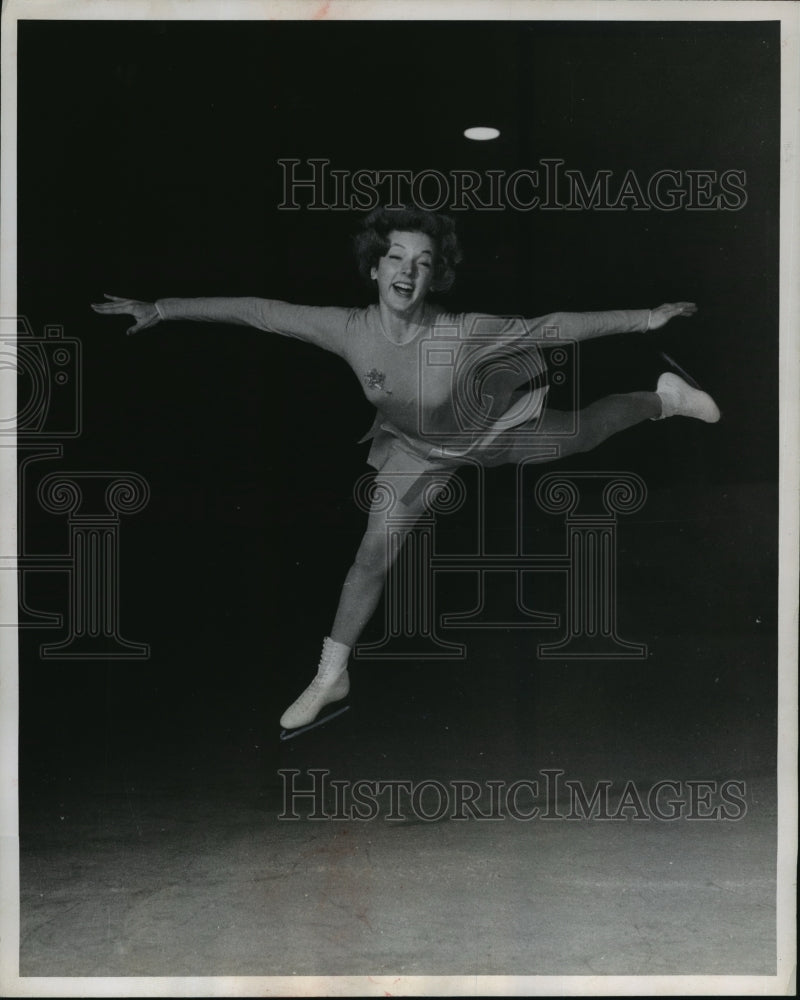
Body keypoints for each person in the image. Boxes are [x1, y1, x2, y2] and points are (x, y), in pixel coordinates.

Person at [92, 206, 720, 730]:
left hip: (497, 430)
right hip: (419, 454)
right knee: (373, 554)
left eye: (422, 262)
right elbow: (262, 311)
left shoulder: (465, 331)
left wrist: (644, 318)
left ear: (434, 275)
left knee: (586, 434)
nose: (408, 270)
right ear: (374, 266)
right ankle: (330, 676)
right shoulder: (348, 329)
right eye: (396, 257)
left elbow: (548, 328)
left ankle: (663, 399)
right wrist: (163, 308)